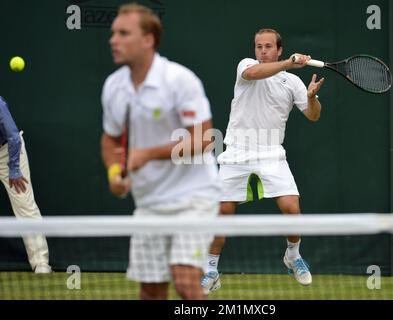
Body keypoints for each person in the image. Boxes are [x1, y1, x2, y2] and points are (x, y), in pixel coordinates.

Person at [101, 3, 220, 300]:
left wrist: (148, 154)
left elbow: (204, 139)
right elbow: (111, 141)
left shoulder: (179, 80)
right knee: (151, 291)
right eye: (113, 33)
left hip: (194, 197)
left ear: (148, 40)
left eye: (123, 33)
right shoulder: (113, 87)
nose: (113, 40)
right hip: (149, 202)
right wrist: (115, 171)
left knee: (185, 282)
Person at [201, 28, 325, 293]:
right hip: (236, 152)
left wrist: (312, 97)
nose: (263, 51)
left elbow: (313, 116)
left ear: (279, 48)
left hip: (271, 153)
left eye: (269, 46)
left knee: (292, 208)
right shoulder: (246, 67)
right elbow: (255, 73)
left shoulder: (292, 83)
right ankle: (211, 270)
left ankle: (293, 255)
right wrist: (289, 62)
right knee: (221, 214)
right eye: (259, 46)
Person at [0, 96, 52, 274]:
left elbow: (13, 135)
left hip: (8, 152)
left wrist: (14, 169)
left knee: (25, 205)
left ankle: (40, 262)